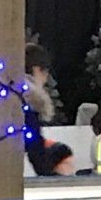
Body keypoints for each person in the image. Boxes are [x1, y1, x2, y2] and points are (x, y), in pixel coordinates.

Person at [23, 44, 75, 176]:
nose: (46, 80)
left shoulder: (11, 95)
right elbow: (35, 152)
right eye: (45, 73)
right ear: (37, 70)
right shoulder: (28, 104)